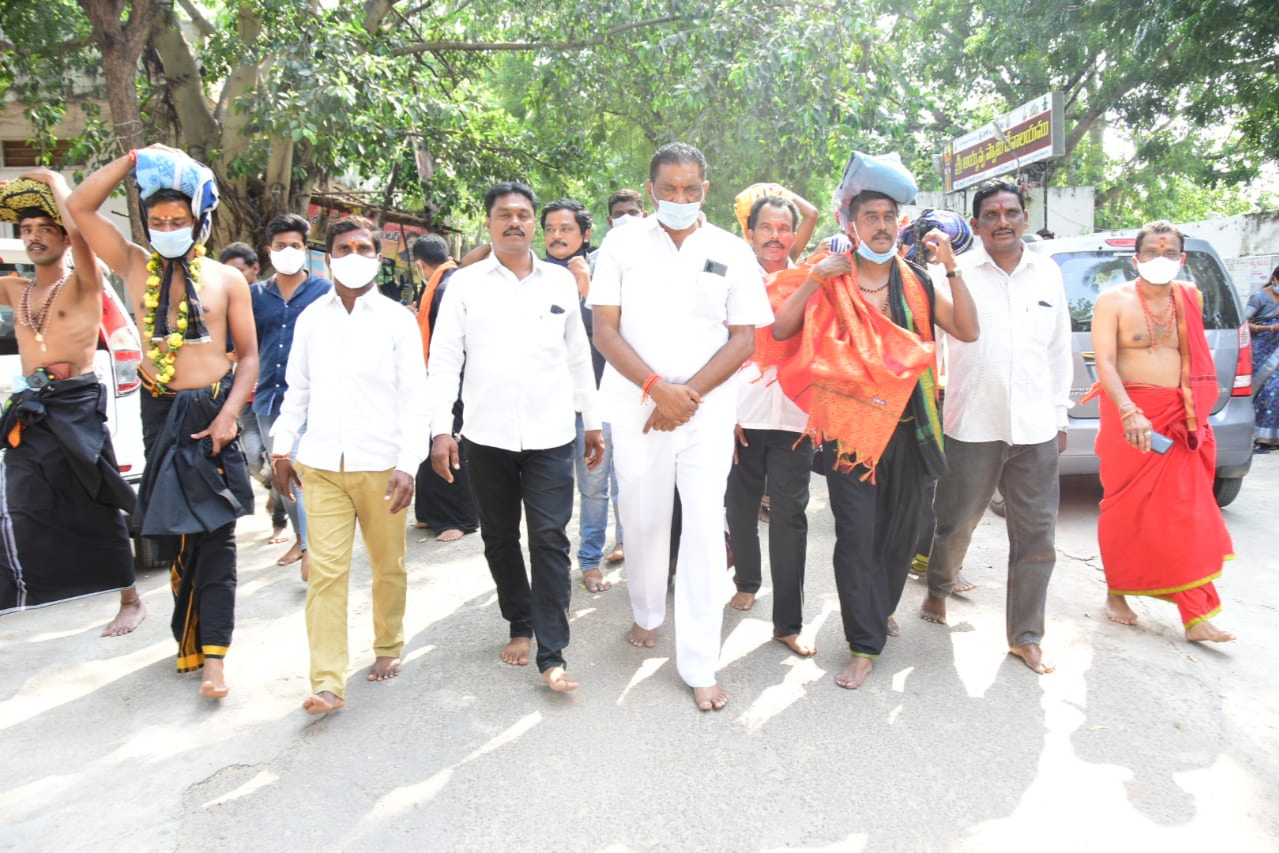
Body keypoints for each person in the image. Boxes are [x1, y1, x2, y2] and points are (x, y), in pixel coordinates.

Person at [763, 150, 978, 691]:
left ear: (898, 223)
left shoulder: (919, 283)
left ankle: (877, 612)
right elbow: (782, 330)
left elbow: (969, 331)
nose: (881, 227)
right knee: (857, 537)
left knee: (900, 537)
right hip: (850, 435)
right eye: (870, 218)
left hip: (910, 428)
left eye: (888, 218)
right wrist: (814, 277)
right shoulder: (833, 280)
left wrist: (950, 266)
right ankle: (863, 642)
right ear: (852, 225)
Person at [69, 145, 258, 700]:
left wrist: (229, 417)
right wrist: (133, 160)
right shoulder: (134, 264)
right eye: (158, 221)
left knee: (218, 536)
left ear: (199, 221)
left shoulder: (227, 279)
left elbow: (248, 357)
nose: (168, 228)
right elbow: (80, 208)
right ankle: (190, 640)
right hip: (160, 413)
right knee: (180, 535)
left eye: (178, 220)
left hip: (213, 414)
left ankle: (217, 655)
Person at [591, 142, 774, 711]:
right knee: (643, 520)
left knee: (701, 528)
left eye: (690, 190)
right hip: (636, 408)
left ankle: (699, 663)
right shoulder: (620, 244)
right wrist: (655, 390)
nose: (679, 199)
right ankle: (647, 612)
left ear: (705, 190)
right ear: (650, 191)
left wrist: (685, 396)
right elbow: (605, 331)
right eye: (668, 189)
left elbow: (744, 337)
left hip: (705, 413)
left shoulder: (731, 250)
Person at [428, 182, 603, 693]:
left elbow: (578, 355)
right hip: (486, 436)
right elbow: (443, 362)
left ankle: (553, 653)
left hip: (551, 435)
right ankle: (519, 623)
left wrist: (591, 421)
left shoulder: (560, 282)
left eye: (524, 215)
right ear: (489, 224)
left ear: (534, 224)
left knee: (549, 538)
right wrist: (441, 429)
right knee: (500, 537)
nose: (515, 223)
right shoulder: (464, 284)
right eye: (504, 215)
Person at [271, 216, 429, 714]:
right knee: (326, 573)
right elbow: (297, 390)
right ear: (329, 256)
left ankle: (387, 643)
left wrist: (408, 463)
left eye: (364, 247)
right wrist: (280, 448)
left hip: (383, 466)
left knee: (387, 566)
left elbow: (415, 401)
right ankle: (327, 682)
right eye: (344, 247)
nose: (354, 254)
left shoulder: (397, 320)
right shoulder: (312, 319)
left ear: (377, 259)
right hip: (320, 465)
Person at [917, 182, 1072, 675]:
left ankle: (1025, 635)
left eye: (1010, 212)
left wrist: (1060, 413)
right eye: (991, 214)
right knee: (956, 522)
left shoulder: (1047, 273)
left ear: (1024, 217)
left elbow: (1059, 350)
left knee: (1037, 536)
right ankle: (939, 588)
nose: (1002, 221)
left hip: (1035, 428)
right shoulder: (952, 275)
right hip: (972, 422)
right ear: (978, 224)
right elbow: (932, 347)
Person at [0, 169, 143, 635]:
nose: (35, 237)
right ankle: (29, 588)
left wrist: (56, 181)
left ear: (61, 238)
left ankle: (130, 598)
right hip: (31, 408)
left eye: (45, 229)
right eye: (26, 231)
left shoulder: (85, 283)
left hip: (75, 405)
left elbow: (83, 230)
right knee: (21, 499)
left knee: (97, 498)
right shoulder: (16, 290)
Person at [1088, 220, 1235, 643]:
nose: (1160, 260)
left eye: (1170, 254)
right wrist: (1131, 410)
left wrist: (1195, 415)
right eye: (1151, 252)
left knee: (1185, 513)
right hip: (1128, 415)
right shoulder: (1112, 300)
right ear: (1136, 258)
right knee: (1124, 510)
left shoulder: (1190, 297)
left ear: (1181, 259)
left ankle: (1196, 616)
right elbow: (1107, 363)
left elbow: (1193, 360)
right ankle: (1117, 593)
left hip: (1176, 416)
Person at [724, 193, 816, 656]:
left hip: (796, 420)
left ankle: (788, 622)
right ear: (750, 232)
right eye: (767, 227)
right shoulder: (732, 278)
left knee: (790, 519)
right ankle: (747, 579)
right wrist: (723, 412)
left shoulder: (812, 281)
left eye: (785, 228)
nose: (776, 236)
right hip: (741, 416)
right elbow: (714, 346)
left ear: (794, 235)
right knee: (739, 508)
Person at [541, 198, 618, 592]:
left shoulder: (606, 271)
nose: (557, 236)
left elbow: (607, 334)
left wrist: (585, 285)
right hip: (549, 403)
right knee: (551, 491)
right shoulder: (533, 276)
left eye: (566, 228)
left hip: (597, 400)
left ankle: (590, 561)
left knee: (594, 485)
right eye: (551, 229)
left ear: (585, 235)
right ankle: (551, 565)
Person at [252, 213, 332, 579]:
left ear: (306, 249)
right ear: (269, 251)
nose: (287, 251)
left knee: (307, 470)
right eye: (280, 246)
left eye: (295, 246)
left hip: (313, 399)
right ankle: (303, 540)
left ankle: (313, 551)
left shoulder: (323, 291)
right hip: (268, 399)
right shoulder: (255, 296)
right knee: (283, 473)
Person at [219, 242, 288, 545]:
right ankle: (276, 491)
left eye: (238, 271)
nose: (232, 278)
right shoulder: (223, 305)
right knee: (248, 458)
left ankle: (279, 521)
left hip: (273, 393)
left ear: (254, 269)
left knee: (279, 458)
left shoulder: (265, 300)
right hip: (242, 397)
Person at [410, 233, 477, 541]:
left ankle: (459, 518)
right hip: (434, 376)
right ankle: (428, 512)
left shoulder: (447, 288)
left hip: (454, 379)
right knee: (426, 443)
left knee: (449, 445)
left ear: (420, 264)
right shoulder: (441, 284)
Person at [1246, 266, 1279, 452]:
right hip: (1259, 353)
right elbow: (1242, 323)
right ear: (1274, 279)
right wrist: (1269, 329)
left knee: (1275, 390)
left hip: (1276, 352)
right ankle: (1259, 437)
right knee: (1266, 391)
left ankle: (1273, 437)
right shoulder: (1259, 297)